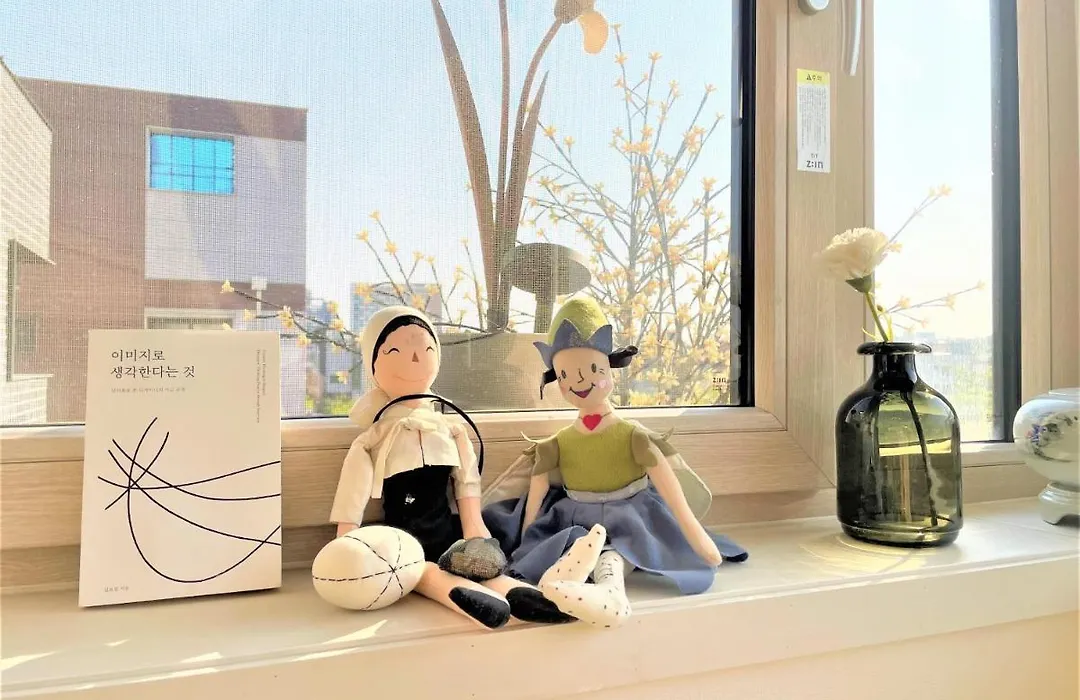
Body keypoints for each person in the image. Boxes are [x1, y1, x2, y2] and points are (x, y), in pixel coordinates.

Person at [482, 296, 748, 627]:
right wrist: (526, 541)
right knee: (575, 544)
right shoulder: (559, 443)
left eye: (592, 369)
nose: (578, 382)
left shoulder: (632, 435)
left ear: (610, 368)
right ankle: (564, 582)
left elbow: (669, 486)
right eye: (565, 375)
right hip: (576, 514)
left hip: (631, 511)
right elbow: (537, 489)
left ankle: (611, 592)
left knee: (620, 549)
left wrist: (695, 534)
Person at [329, 305, 571, 629]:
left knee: (474, 564)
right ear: (373, 362)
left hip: (448, 532)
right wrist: (346, 541)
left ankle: (517, 591)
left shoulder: (450, 429)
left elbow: (466, 481)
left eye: (427, 349)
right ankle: (460, 595)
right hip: (402, 541)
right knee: (425, 571)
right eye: (395, 351)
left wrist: (473, 527)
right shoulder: (375, 436)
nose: (415, 358)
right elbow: (353, 489)